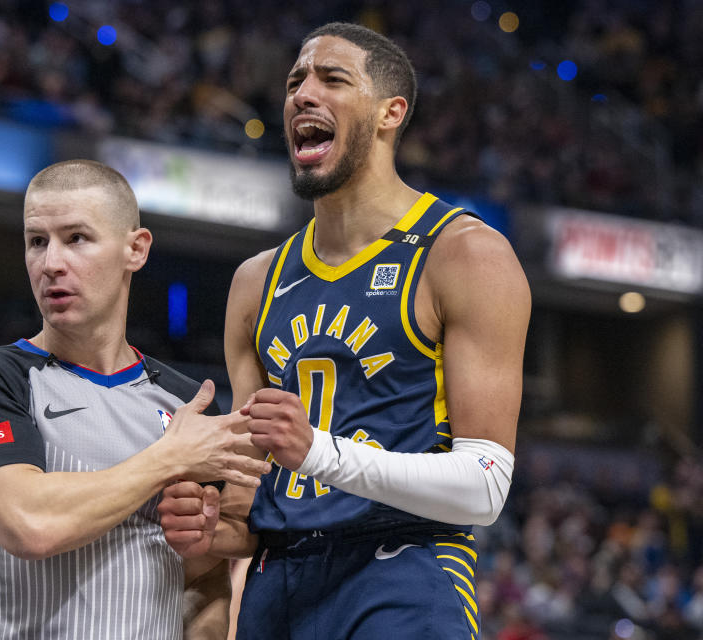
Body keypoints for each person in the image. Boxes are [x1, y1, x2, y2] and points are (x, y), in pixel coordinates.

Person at [158, 22, 531, 639]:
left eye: (333, 79)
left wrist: (320, 453)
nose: (304, 93)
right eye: (295, 81)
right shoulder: (256, 283)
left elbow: (484, 489)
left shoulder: (463, 254)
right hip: (282, 577)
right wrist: (207, 522)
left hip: (406, 566)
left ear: (391, 113)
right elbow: (259, 497)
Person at [0, 159, 270, 639]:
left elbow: (207, 580)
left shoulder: (189, 404)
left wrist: (202, 538)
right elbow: (30, 524)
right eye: (37, 241)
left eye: (77, 238)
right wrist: (168, 458)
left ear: (136, 249)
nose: (51, 263)